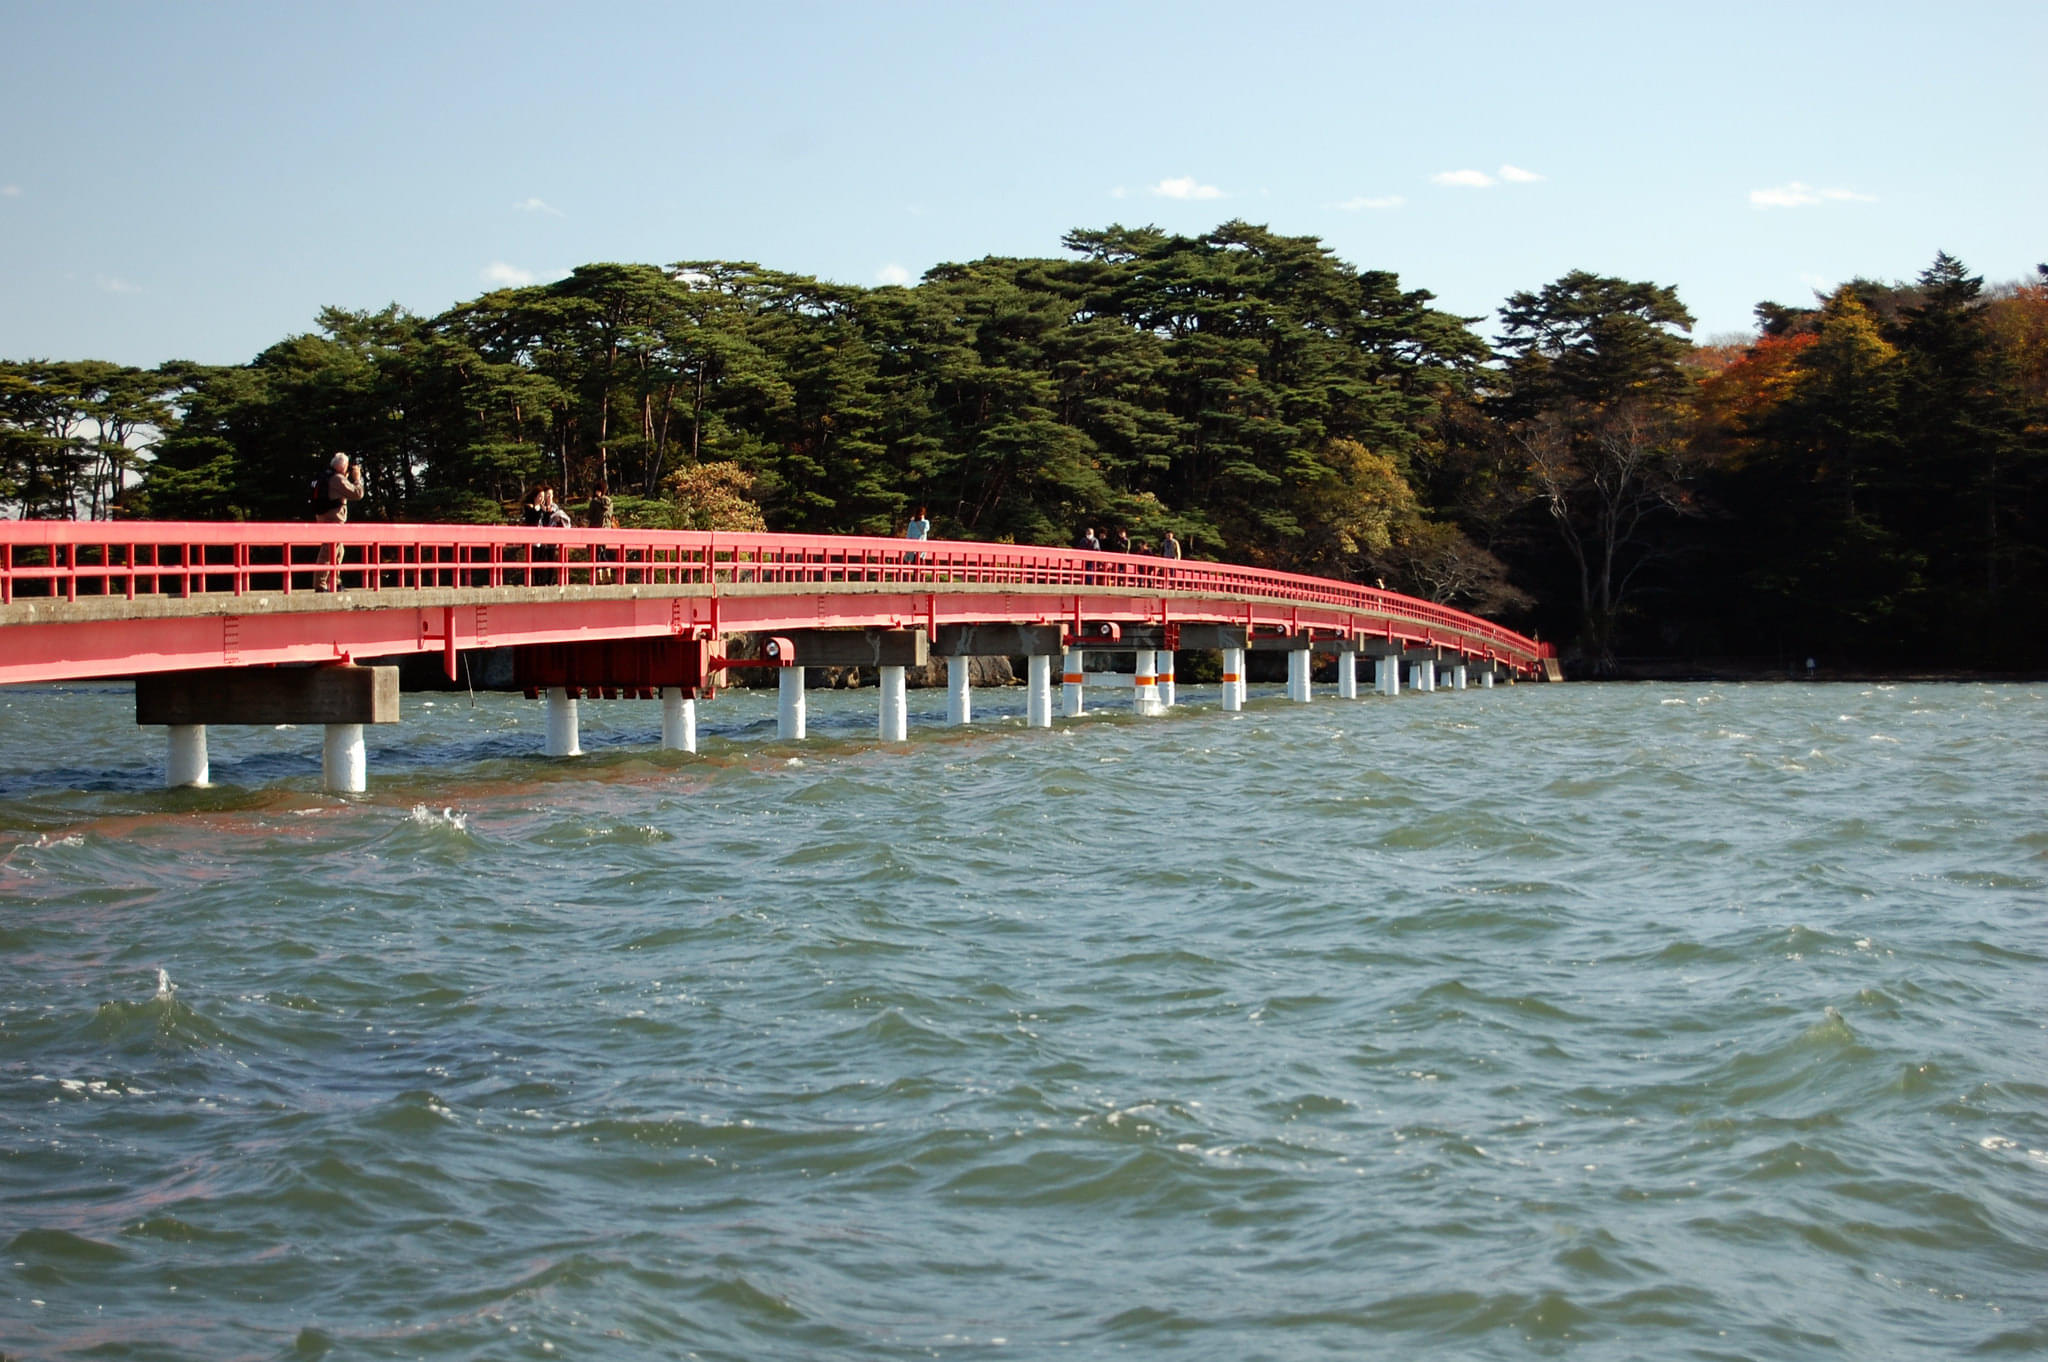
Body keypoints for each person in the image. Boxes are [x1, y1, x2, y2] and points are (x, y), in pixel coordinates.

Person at [313, 452, 364, 591]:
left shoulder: (327, 476)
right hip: (333, 520)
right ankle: (320, 584)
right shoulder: (337, 479)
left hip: (323, 516)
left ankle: (335, 582)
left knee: (338, 551)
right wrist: (357, 479)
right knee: (328, 551)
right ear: (343, 466)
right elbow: (357, 494)